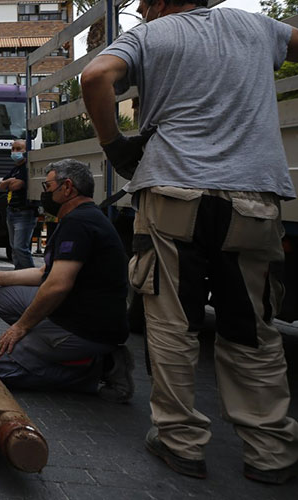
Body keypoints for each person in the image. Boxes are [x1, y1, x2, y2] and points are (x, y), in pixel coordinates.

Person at [81, 0, 298, 483]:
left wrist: (114, 144)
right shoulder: (258, 26)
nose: (141, 12)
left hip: (174, 190)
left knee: (172, 322)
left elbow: (95, 76)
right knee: (253, 326)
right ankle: (270, 451)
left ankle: (181, 442)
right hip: (253, 197)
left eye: (143, 5)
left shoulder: (151, 36)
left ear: (159, 3)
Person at [0, 160, 134, 401]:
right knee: (4, 295)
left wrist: (22, 327)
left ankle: (101, 369)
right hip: (80, 313)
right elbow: (45, 274)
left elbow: (58, 284)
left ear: (68, 187)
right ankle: (48, 344)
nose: (45, 193)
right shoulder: (81, 217)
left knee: (2, 368)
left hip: (87, 328)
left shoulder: (79, 223)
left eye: (48, 185)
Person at [0, 139, 36, 269]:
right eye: (13, 149)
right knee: (14, 248)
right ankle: (19, 275)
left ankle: (31, 277)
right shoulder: (15, 169)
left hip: (24, 212)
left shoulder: (27, 168)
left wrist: (9, 182)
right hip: (12, 212)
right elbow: (1, 185)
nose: (15, 152)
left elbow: (16, 185)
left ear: (27, 151)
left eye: (19, 149)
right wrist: (10, 180)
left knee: (20, 248)